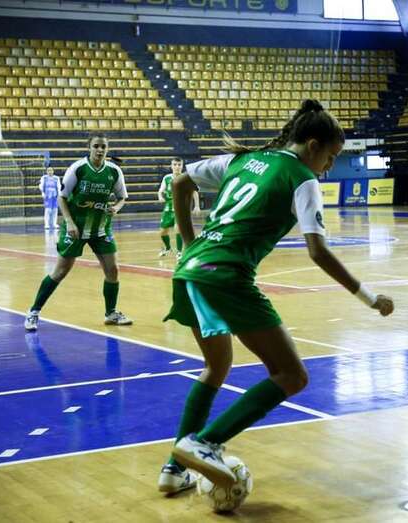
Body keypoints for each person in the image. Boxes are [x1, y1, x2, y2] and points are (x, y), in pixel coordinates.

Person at [158, 99, 395, 493]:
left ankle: (173, 470)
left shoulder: (243, 160)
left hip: (190, 271)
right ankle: (204, 443)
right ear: (313, 145)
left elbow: (181, 182)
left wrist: (188, 242)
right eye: (330, 157)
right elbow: (318, 252)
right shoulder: (302, 178)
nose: (329, 167)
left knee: (216, 367)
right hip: (227, 275)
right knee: (291, 375)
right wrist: (369, 298)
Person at [24, 133, 133, 331]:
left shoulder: (114, 171)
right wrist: (69, 222)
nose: (100, 150)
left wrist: (116, 208)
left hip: (101, 228)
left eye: (103, 146)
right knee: (60, 271)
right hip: (75, 227)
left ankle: (111, 313)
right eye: (96, 146)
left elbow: (122, 197)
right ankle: (34, 312)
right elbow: (62, 197)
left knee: (113, 271)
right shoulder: (78, 168)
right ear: (89, 147)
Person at [157, 157, 199, 258]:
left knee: (178, 228)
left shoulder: (186, 178)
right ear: (171, 166)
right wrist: (160, 196)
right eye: (175, 165)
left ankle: (179, 252)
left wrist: (197, 206)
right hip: (168, 208)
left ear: (182, 166)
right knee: (162, 232)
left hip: (181, 208)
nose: (177, 167)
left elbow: (194, 192)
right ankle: (168, 248)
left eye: (179, 165)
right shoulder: (167, 178)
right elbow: (160, 191)